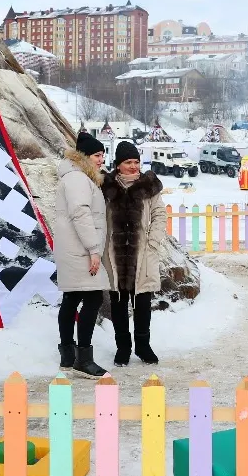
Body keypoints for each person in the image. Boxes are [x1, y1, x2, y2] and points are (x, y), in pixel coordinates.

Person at [102, 141, 167, 366]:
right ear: (118, 165)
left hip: (142, 254)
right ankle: (123, 347)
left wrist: (153, 243)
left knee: (142, 303)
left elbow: (160, 215)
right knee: (118, 302)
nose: (133, 166)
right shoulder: (106, 188)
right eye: (128, 162)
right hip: (114, 254)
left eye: (136, 162)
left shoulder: (148, 188)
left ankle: (143, 345)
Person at [53, 132, 113, 378]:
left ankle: (68, 357)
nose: (101, 160)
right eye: (97, 155)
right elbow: (81, 214)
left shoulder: (75, 177)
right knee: (93, 299)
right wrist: (93, 249)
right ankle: (83, 360)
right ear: (84, 157)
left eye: (102, 155)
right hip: (81, 250)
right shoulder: (78, 179)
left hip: (73, 248)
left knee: (72, 298)